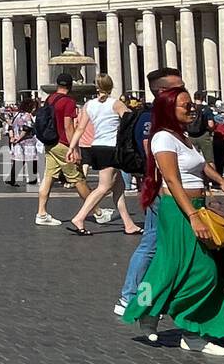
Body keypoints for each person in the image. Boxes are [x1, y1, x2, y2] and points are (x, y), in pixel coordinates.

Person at [121, 87, 224, 356]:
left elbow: (200, 165)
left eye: (191, 105)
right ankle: (192, 331)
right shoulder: (163, 138)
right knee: (204, 270)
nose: (193, 109)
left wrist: (222, 182)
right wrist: (191, 216)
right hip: (177, 209)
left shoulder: (183, 137)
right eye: (185, 106)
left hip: (195, 206)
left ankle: (146, 312)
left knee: (167, 267)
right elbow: (172, 180)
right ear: (168, 109)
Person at [115, 66, 184, 324]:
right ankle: (130, 296)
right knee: (151, 245)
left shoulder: (166, 116)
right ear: (163, 91)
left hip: (167, 187)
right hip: (158, 188)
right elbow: (150, 153)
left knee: (161, 245)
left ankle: (159, 297)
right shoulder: (150, 118)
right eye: (179, 88)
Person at [64, 75, 142, 235]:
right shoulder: (116, 104)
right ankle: (79, 217)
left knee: (119, 188)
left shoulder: (89, 104)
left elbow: (80, 129)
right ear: (111, 86)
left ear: (97, 87)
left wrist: (71, 147)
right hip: (111, 148)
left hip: (97, 147)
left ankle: (129, 224)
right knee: (104, 186)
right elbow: (131, 122)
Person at [33, 74, 91, 225]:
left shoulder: (50, 99)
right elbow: (68, 126)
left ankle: (41, 213)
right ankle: (97, 211)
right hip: (63, 144)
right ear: (71, 86)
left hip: (50, 142)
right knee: (78, 179)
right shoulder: (69, 102)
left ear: (57, 84)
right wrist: (75, 148)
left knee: (49, 176)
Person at [7, 101, 37, 186]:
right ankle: (32, 179)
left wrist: (12, 137)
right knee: (33, 161)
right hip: (27, 142)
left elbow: (10, 127)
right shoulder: (27, 116)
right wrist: (19, 138)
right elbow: (26, 129)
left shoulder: (16, 115)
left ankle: (12, 179)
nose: (34, 109)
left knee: (18, 161)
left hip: (17, 143)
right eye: (33, 107)